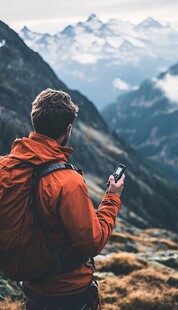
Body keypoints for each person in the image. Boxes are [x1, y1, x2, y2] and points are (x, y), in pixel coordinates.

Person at [11, 88, 125, 309]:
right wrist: (112, 197)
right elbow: (92, 242)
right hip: (69, 292)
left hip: (33, 285)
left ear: (35, 121)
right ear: (68, 129)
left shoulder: (10, 168)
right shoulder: (67, 182)